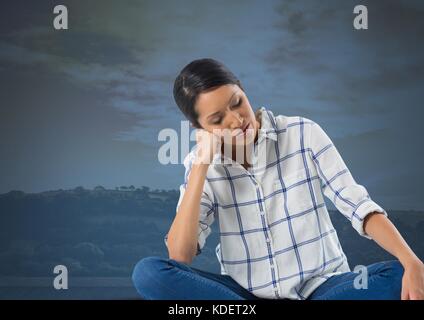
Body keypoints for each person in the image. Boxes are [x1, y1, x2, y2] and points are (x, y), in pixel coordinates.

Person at [132, 58, 424, 300]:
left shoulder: (302, 133)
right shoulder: (204, 165)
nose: (236, 120)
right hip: (244, 297)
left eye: (237, 103)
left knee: (398, 274)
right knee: (148, 273)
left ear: (244, 91)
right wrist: (200, 166)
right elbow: (180, 255)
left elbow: (358, 206)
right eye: (218, 119)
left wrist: (412, 262)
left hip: (322, 289)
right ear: (199, 127)